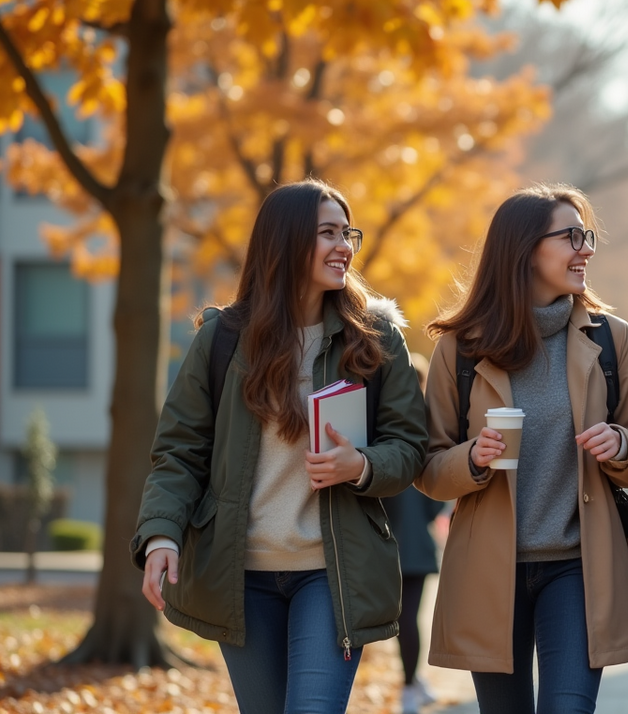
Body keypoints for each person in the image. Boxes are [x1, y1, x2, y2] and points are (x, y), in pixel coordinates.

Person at [132, 180, 430, 713]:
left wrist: (360, 465)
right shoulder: (223, 339)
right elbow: (179, 451)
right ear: (287, 241)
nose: (344, 247)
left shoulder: (377, 338)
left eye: (348, 233)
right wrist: (161, 535)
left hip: (332, 573)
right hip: (240, 577)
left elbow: (409, 446)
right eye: (327, 234)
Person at [417, 184, 628, 713]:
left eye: (586, 235)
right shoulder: (459, 347)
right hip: (487, 568)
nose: (585, 248)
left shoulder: (611, 339)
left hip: (579, 566)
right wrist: (473, 458)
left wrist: (619, 444)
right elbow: (428, 468)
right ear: (524, 249)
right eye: (571, 237)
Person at [388, 352, 445, 713]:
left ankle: (411, 682)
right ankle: (410, 684)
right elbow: (436, 499)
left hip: (384, 542)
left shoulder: (382, 427)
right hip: (416, 544)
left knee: (398, 618)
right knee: (410, 617)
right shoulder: (424, 431)